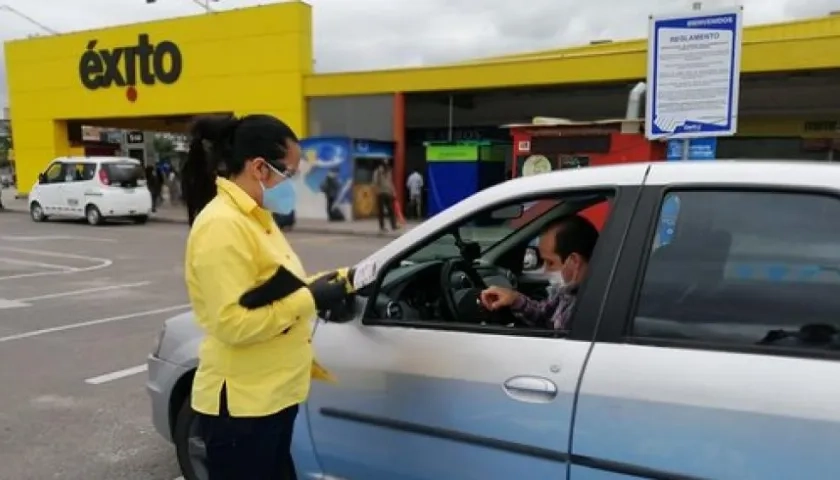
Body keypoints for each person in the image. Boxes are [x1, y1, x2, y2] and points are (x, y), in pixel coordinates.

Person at [181, 114, 353, 480]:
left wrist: (334, 282)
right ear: (259, 167)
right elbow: (232, 323)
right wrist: (310, 299)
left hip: (271, 398)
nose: (294, 183)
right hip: (242, 409)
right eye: (289, 173)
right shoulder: (221, 226)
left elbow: (276, 283)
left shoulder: (257, 217)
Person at [480, 215, 599, 330]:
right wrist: (514, 299)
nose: (546, 270)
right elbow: (544, 314)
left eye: (550, 262)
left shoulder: (591, 307)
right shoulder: (567, 292)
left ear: (574, 261)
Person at [373, 160, 397, 232]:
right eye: (385, 165)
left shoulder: (389, 171)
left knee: (391, 210)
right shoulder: (378, 172)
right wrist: (376, 191)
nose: (387, 167)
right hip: (381, 193)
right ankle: (382, 226)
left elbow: (390, 182)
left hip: (388, 193)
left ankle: (393, 225)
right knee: (381, 211)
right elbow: (375, 182)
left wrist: (393, 191)